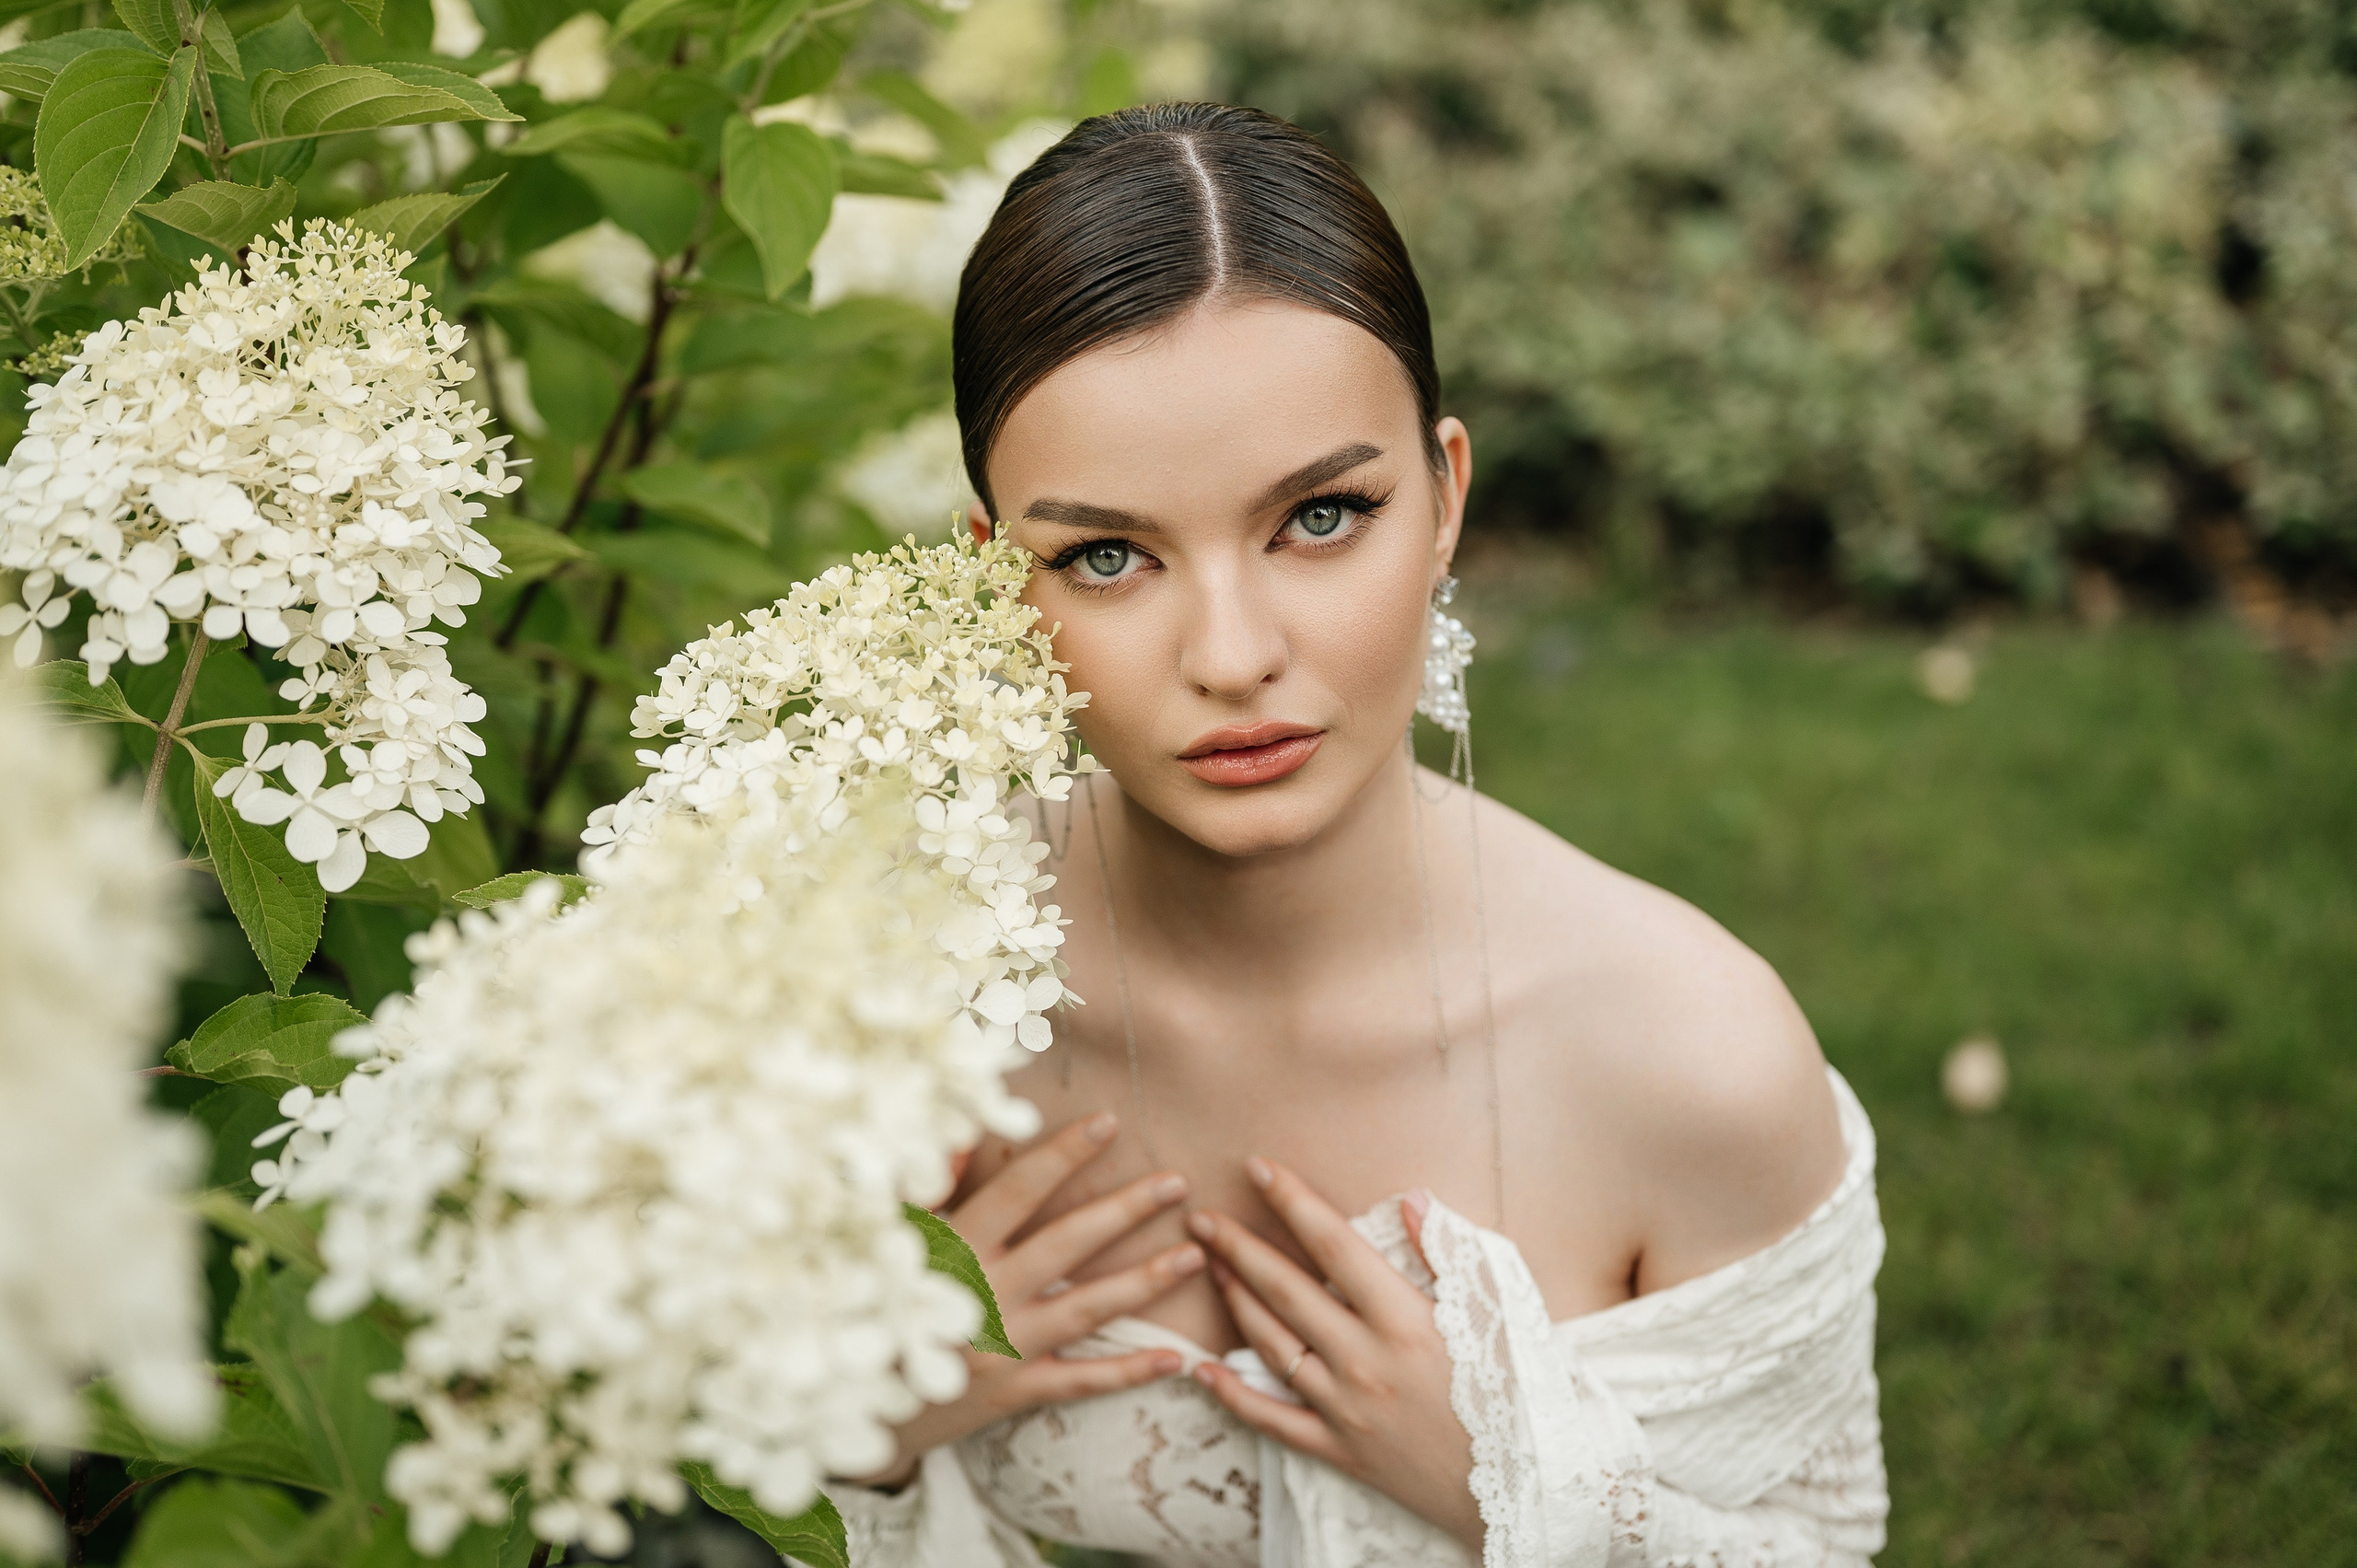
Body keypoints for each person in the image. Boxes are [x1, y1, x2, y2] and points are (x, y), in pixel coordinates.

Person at [824, 103, 1888, 1566]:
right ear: (988, 577)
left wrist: (1510, 1485)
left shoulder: (1694, 1059)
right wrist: (866, 1402)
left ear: (1445, 495)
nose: (1234, 651)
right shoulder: (883, 1003)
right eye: (1107, 557)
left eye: (1320, 516)